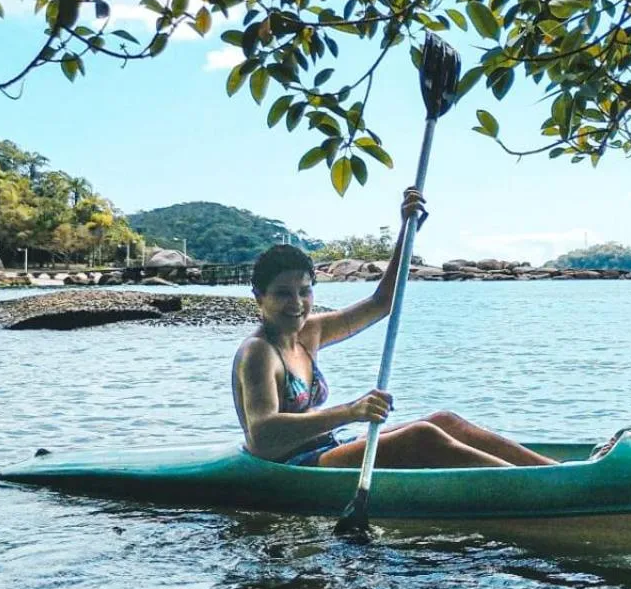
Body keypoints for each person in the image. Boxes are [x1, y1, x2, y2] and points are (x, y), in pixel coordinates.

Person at [233, 187, 557, 469]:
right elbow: (263, 434)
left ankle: (556, 472)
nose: (297, 303)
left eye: (304, 292)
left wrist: (407, 230)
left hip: (328, 444)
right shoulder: (258, 352)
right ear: (259, 297)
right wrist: (351, 411)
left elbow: (381, 303)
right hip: (292, 466)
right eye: (283, 294)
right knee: (421, 438)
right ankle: (536, 488)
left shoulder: (310, 332)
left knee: (445, 421)